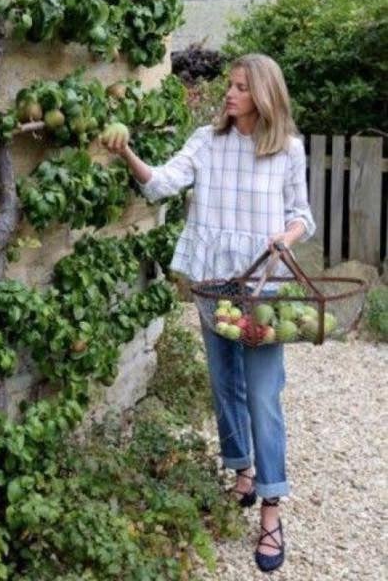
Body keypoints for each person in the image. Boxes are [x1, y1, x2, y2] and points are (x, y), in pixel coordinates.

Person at [102, 53, 315, 573]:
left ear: (264, 95)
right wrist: (128, 151)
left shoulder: (287, 149)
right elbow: (160, 184)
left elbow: (301, 215)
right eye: (230, 85)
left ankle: (271, 508)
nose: (230, 94)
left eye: (241, 88)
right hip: (213, 282)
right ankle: (241, 470)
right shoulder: (206, 140)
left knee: (263, 395)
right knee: (225, 385)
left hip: (262, 285)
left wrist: (285, 238)